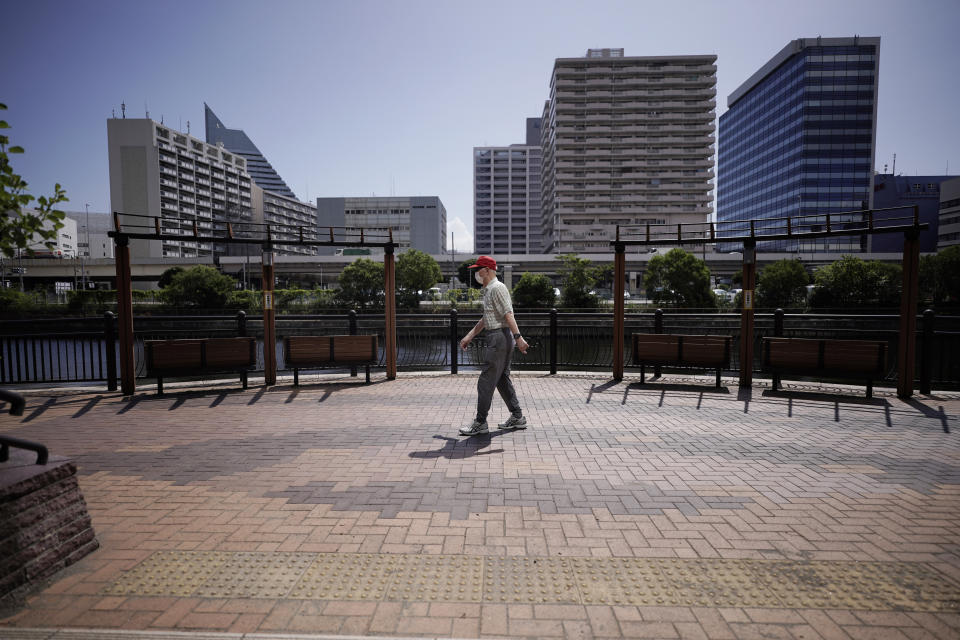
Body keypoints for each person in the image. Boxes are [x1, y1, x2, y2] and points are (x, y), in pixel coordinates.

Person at [458, 255, 529, 436]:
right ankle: (517, 417)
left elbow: (508, 314)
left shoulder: (497, 288)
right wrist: (469, 336)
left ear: (487, 270)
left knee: (486, 381)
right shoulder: (490, 290)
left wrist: (519, 338)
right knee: (502, 380)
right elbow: (486, 319)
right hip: (500, 337)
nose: (476, 273)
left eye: (478, 269)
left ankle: (480, 422)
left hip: (498, 338)